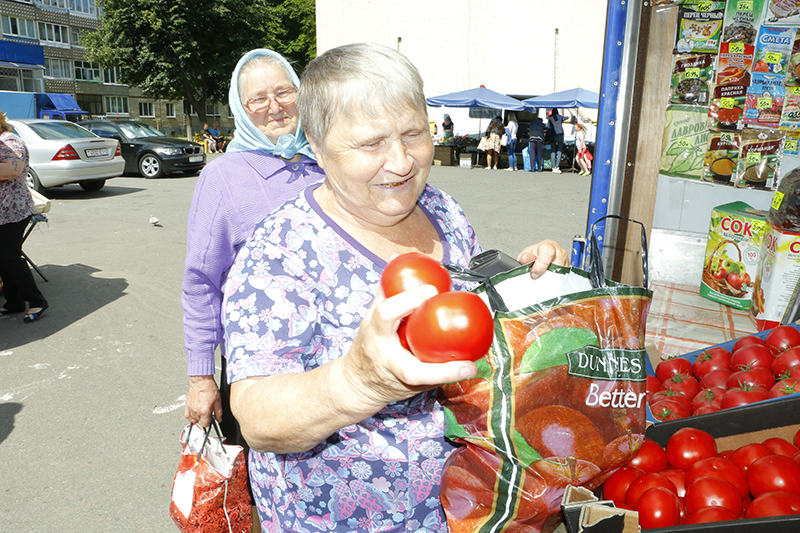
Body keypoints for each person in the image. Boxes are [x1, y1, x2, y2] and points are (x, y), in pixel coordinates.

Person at [222, 42, 569, 532]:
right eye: (371, 143)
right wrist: (357, 383)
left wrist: (528, 288)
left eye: (413, 133)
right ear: (318, 149)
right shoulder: (280, 250)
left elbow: (469, 322)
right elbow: (257, 415)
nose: (402, 162)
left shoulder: (442, 209)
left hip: (464, 506)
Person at [181, 49, 325, 439]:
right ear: (241, 109)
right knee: (265, 482)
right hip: (259, 372)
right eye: (258, 98)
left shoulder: (332, 161)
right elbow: (201, 283)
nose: (274, 106)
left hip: (338, 362)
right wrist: (201, 379)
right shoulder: (223, 177)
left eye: (284, 92)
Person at [0, 110, 48, 323]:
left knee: (9, 255)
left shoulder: (10, 141)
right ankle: (14, 303)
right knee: (3, 257)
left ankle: (37, 301)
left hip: (14, 210)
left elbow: (12, 169)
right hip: (2, 212)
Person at [548, 107, 565, 173]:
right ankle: (557, 166)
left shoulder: (550, 119)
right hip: (560, 135)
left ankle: (553, 167)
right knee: (559, 150)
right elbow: (566, 118)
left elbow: (549, 127)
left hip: (553, 135)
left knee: (553, 150)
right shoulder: (560, 117)